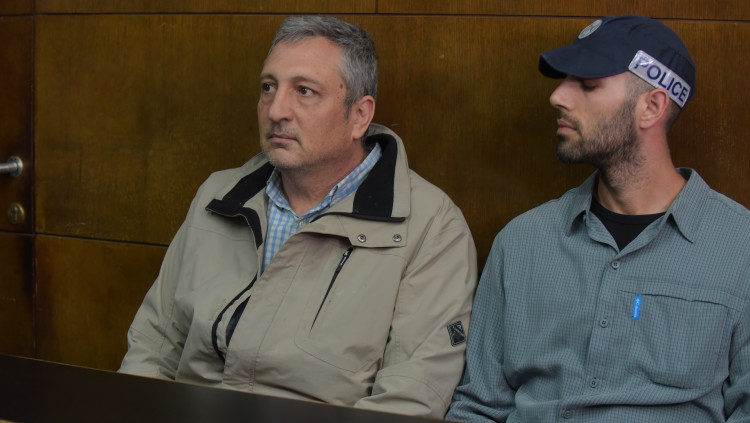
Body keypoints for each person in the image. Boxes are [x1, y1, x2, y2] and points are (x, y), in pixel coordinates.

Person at [119, 16, 477, 418]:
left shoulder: (432, 226)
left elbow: (408, 402)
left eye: (304, 91)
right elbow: (152, 347)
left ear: (359, 115)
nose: (276, 110)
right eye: (268, 87)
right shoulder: (217, 195)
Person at [447, 15, 750, 422]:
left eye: (588, 85)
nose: (558, 96)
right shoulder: (521, 242)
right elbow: (478, 408)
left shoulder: (740, 248)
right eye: (565, 81)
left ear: (652, 107)